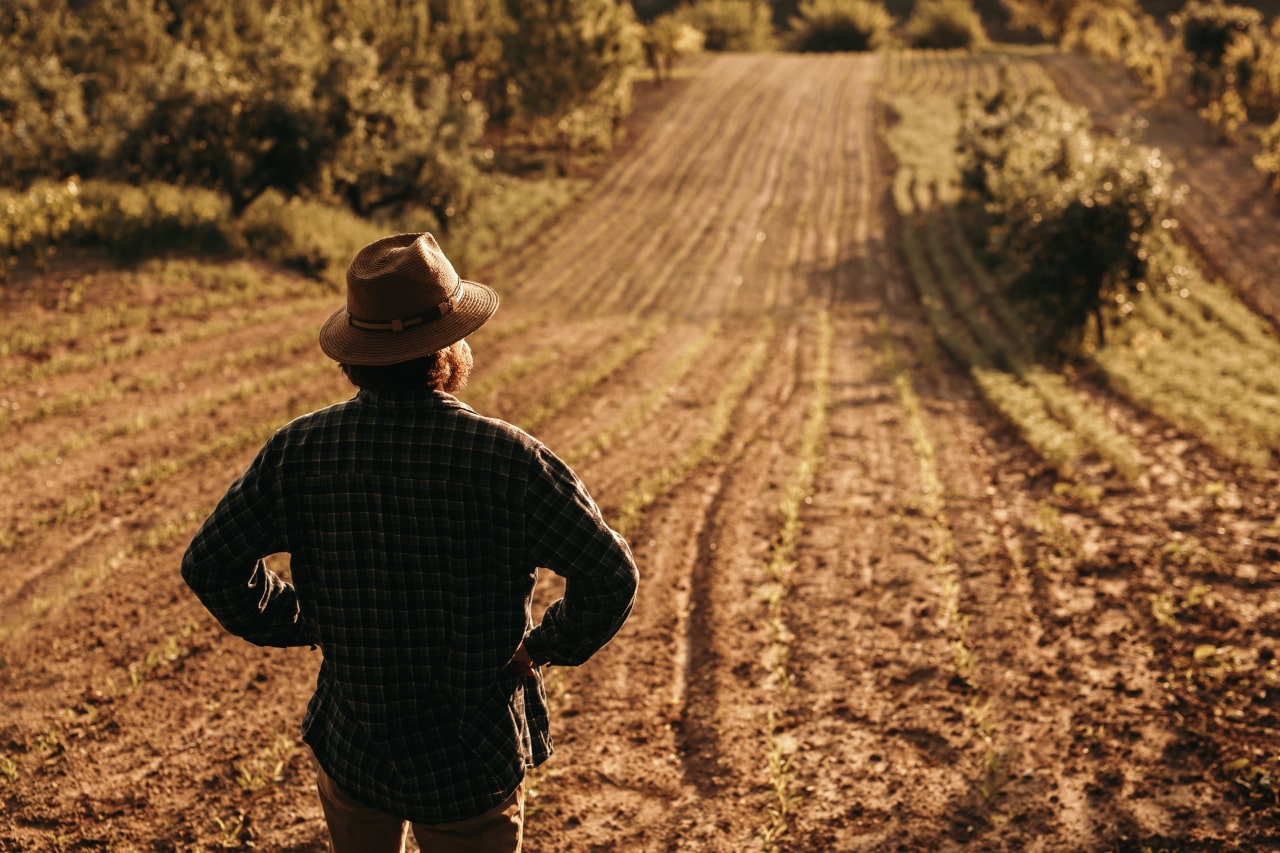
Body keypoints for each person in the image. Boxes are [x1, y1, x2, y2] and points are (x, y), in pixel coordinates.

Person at [181, 232, 639, 853]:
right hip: (471, 757)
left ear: (355, 353)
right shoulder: (508, 460)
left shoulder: (301, 450)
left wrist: (306, 620)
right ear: (449, 345)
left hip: (354, 745)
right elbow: (611, 575)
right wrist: (542, 649)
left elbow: (210, 562)